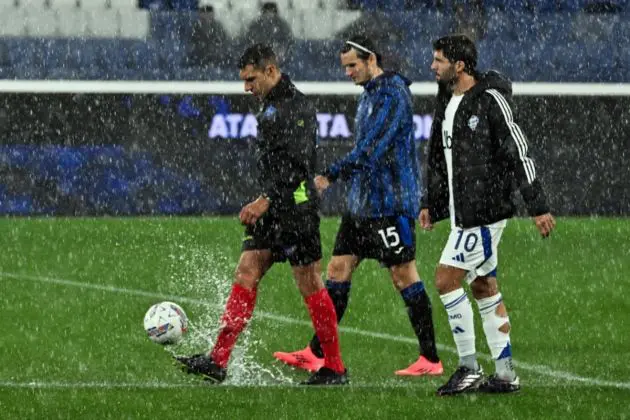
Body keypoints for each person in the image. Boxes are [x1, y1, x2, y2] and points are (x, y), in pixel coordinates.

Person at [175, 44, 348, 386]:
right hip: (275, 207)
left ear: (271, 70)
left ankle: (335, 368)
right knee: (246, 270)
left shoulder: (295, 107)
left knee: (310, 281)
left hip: (296, 210)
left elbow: (298, 167)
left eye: (251, 79)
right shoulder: (270, 104)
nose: (246, 87)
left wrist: (265, 199)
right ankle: (218, 361)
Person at [273, 35, 443, 377]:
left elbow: (371, 151)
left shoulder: (393, 94)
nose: (348, 72)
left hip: (389, 204)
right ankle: (316, 352)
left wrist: (329, 176)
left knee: (403, 274)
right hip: (362, 206)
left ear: (372, 60)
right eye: (345, 67)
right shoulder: (370, 95)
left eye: (353, 65)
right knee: (337, 270)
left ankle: (431, 359)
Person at [422, 34, 556, 395]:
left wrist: (537, 205)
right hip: (461, 212)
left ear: (460, 65)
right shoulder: (446, 99)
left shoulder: (491, 100)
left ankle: (467, 366)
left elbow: (518, 151)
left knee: (446, 280)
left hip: (484, 213)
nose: (432, 66)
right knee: (483, 287)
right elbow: (438, 158)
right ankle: (506, 373)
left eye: (438, 60)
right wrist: (431, 204)